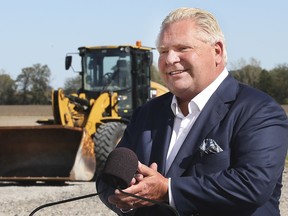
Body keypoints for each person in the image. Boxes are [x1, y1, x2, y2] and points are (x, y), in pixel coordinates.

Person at [96, 7, 288, 216]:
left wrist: (167, 191)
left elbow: (252, 185)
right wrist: (127, 199)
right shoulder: (147, 114)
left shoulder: (258, 111)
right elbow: (108, 179)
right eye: (162, 51)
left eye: (182, 48)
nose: (170, 59)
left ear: (217, 51)